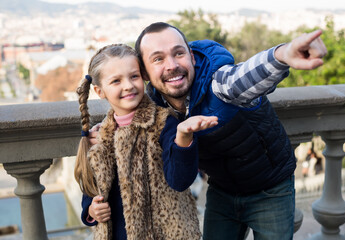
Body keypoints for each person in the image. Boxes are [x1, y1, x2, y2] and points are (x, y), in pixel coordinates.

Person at [127, 22, 327, 240]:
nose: (172, 65)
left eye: (179, 53)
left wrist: (282, 54)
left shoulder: (218, 83)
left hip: (271, 189)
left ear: (192, 57)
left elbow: (243, 77)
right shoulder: (156, 110)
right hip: (222, 189)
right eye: (158, 59)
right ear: (145, 73)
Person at [74, 43, 219, 239]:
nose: (128, 85)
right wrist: (91, 211)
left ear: (143, 77)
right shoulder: (101, 136)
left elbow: (180, 180)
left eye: (134, 76)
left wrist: (183, 137)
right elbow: (92, 189)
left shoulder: (163, 123)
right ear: (100, 91)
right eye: (116, 81)